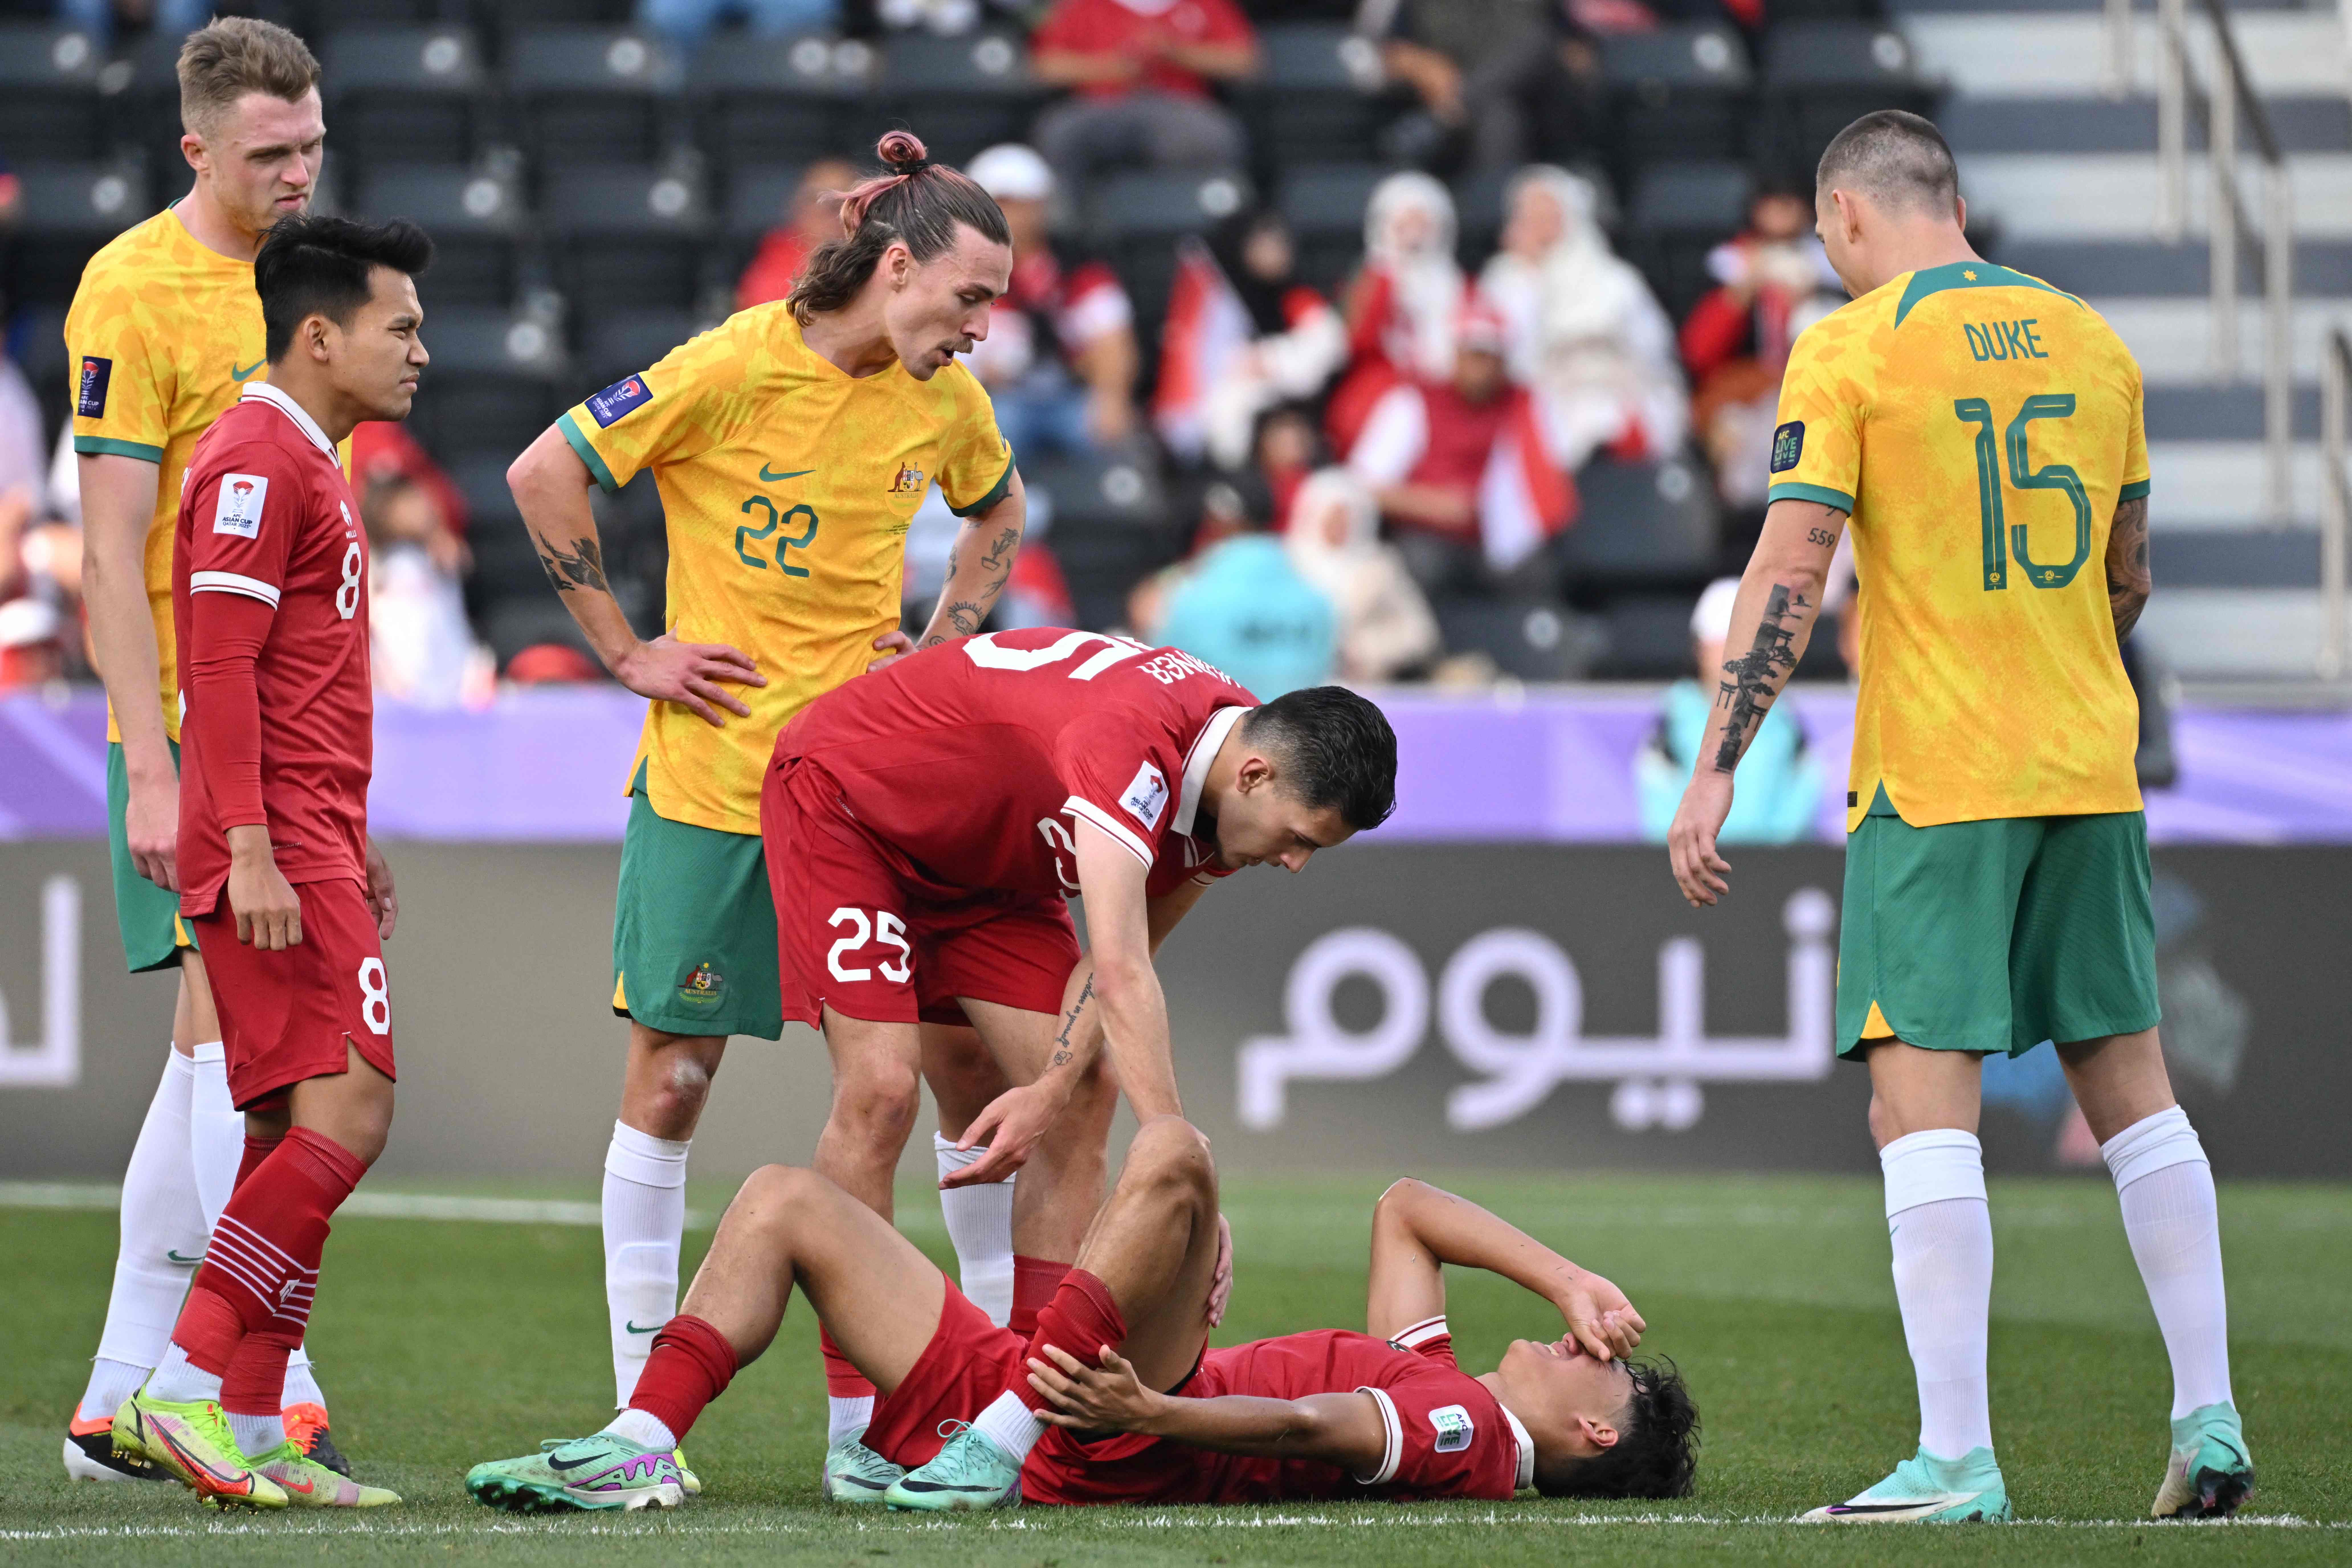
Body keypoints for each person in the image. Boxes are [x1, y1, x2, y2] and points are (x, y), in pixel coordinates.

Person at [1667, 111, 2251, 1524]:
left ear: (1852, 220)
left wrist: (1717, 758)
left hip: (1938, 775)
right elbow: (2128, 572)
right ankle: (2209, 1412)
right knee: (2136, 1091)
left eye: (1823, 239)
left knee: (1913, 1103)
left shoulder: (1855, 346)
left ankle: (1953, 1456)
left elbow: (1792, 560)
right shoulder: (2095, 342)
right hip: (2089, 765)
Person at [502, 131, 1032, 1441]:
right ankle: (641, 1418)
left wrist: (944, 642)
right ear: (895, 265)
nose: (981, 332)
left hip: (866, 798)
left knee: (924, 1079)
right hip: (717, 786)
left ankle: (967, 1397)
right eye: (968, 298)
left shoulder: (942, 398)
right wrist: (628, 652)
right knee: (673, 1084)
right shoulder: (735, 366)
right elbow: (543, 470)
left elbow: (999, 510)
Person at [759, 635, 1398, 1506]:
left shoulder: (1224, 776)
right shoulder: (1132, 743)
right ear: (1253, 776)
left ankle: (1019, 1416)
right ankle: (857, 1432)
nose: (1293, 863)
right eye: (1296, 838)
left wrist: (1053, 1085)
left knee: (1088, 1091)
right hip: (853, 809)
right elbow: (1125, 966)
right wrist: (1182, 1172)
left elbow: (1112, 973)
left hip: (992, 871)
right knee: (880, 1092)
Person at [464, 1126, 1695, 1512]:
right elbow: (1406, 1209)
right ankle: (641, 1437)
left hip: (1124, 1429)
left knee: (1181, 1164)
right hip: (1060, 1389)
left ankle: (1001, 1431)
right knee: (788, 1200)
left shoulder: (1465, 1444)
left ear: (1593, 1434)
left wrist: (1156, 1399)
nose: (1592, 1341)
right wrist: (1562, 1275)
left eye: (1608, 1368)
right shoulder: (1458, 1388)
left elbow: (1325, 1426)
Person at [61, 15, 353, 1484]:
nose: (300, 171)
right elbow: (111, 553)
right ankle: (185, 1379)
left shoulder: (319, 277)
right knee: (243, 1049)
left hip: (297, 732)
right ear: (197, 150)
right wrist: (154, 763)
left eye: (312, 143)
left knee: (250, 1055)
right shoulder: (135, 285)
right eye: (269, 153)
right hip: (196, 716)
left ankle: (146, 1384)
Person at [110, 212, 431, 1511]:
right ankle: (184, 1384)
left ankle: (244, 1419)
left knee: (285, 1123)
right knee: (353, 1111)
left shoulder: (311, 459)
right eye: (399, 326)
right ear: (320, 334)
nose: (422, 350)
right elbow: (221, 669)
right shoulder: (257, 455)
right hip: (270, 840)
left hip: (308, 832)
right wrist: (253, 844)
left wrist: (349, 836)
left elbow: (297, 676)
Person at [1346, 302, 1572, 595]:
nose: (1481, 367)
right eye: (1473, 355)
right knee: (1422, 563)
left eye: (1490, 356)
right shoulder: (1413, 403)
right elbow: (1361, 486)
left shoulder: (1526, 404)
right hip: (1432, 538)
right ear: (1456, 354)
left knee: (1541, 572)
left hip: (1498, 541)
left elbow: (1552, 473)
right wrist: (1435, 505)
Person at [1477, 166, 1687, 473]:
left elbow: (1654, 352)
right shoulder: (1504, 281)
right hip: (1544, 400)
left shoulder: (1615, 279)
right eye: (1530, 217)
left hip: (1619, 391)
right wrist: (1529, 281)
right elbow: (1510, 361)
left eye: (1549, 216)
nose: (1540, 227)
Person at [962, 143, 1141, 456]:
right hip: (997, 402)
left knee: (1116, 440)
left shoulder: (1079, 269)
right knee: (992, 434)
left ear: (1043, 206)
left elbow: (1115, 344)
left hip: (1070, 396)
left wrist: (1111, 399)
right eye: (1001, 203)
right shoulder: (958, 275)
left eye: (1022, 204)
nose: (1011, 215)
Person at [1679, 179, 1845, 509]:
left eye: (1790, 203)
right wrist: (1740, 295)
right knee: (1737, 437)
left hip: (1817, 390)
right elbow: (1697, 354)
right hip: (1745, 391)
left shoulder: (1835, 268)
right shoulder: (1726, 266)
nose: (1781, 213)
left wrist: (1809, 301)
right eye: (1772, 203)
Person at [1154, 209, 1346, 471]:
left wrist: (1272, 360)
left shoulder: (1295, 296)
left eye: (1281, 242)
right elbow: (1204, 374)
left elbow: (1327, 347)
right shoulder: (1218, 303)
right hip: (1227, 444)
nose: (1277, 252)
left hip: (1303, 415)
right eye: (1264, 244)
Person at [1636, 577, 1820, 844]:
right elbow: (1657, 789)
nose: (1732, 655)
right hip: (1697, 868)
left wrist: (1775, 855)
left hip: (1773, 869)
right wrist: (1690, 852)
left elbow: (1804, 785)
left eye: (1743, 643)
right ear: (1699, 648)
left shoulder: (1783, 714)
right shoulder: (1673, 715)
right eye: (1720, 642)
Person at [1028, 0, 1257, 197]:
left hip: (1178, 109)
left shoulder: (1203, 4)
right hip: (1103, 107)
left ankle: (1204, 221)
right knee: (1059, 132)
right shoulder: (1086, 5)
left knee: (1218, 136)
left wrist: (1175, 53)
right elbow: (1045, 66)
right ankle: (1066, 235)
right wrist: (1116, 67)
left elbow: (1245, 62)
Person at [1328, 173, 1466, 458]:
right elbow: (1356, 339)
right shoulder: (1370, 278)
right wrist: (1385, 278)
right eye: (1404, 224)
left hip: (1447, 390)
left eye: (1422, 224)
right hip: (1382, 390)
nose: (1414, 235)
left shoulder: (1456, 283)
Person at [1156, 500, 1336, 698]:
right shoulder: (1317, 599)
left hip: (1221, 723)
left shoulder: (1190, 595)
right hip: (1298, 724)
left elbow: (1164, 677)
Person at [1284, 467, 1441, 684]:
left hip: (1365, 687)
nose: (1340, 525)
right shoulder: (1285, 564)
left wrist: (1364, 651)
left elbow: (1420, 633)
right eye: (1332, 515)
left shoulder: (1380, 566)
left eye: (1347, 516)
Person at [363, 474, 485, 709]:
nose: (414, 509)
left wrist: (431, 530)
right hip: (398, 676)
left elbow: (460, 560)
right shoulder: (375, 559)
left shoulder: (439, 549)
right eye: (403, 504)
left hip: (453, 670)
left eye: (416, 501)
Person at [735, 157, 857, 312]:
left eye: (844, 203)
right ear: (798, 206)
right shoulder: (771, 260)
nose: (832, 213)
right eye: (819, 199)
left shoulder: (878, 263)